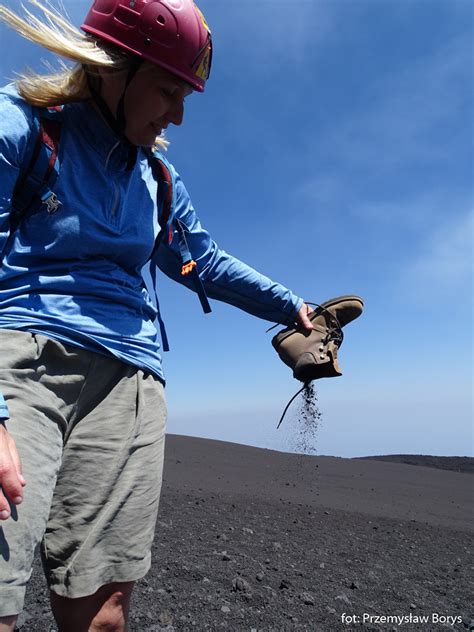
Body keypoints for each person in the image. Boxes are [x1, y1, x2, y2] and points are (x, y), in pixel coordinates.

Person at [0, 1, 313, 629]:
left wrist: (293, 308)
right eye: (170, 89)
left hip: (131, 383)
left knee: (106, 610)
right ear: (113, 67)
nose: (179, 112)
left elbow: (207, 263)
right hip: (23, 361)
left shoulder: (159, 179)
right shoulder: (24, 125)